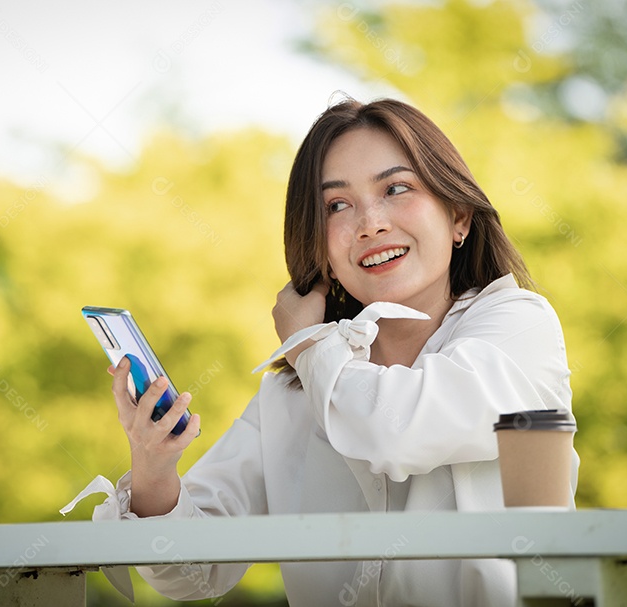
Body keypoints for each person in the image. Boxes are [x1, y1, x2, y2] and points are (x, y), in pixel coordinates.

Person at [62, 97, 579, 606]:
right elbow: (191, 574)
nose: (370, 223)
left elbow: (397, 431)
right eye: (337, 206)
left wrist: (308, 343)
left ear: (459, 216)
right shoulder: (292, 391)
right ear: (321, 249)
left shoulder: (519, 326)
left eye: (396, 188)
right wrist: (154, 467)